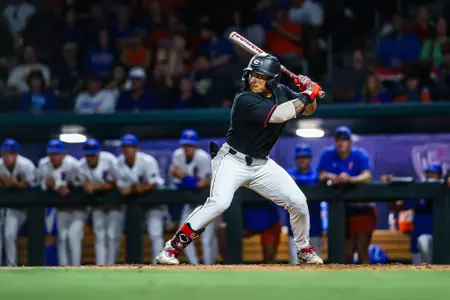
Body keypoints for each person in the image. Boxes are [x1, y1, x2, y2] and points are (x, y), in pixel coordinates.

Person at [156, 53, 323, 265]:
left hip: (262, 164)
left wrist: (309, 91)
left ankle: (304, 250)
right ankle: (170, 250)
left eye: (260, 76)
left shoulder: (281, 91)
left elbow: (308, 109)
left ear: (272, 80)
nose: (253, 79)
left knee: (298, 202)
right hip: (231, 161)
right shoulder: (244, 99)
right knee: (219, 203)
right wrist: (307, 93)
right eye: (252, 74)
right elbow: (279, 115)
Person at [317, 126, 374, 264]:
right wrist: (332, 177)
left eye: (344, 140)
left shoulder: (359, 154)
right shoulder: (328, 154)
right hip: (341, 211)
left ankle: (370, 282)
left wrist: (349, 179)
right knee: (346, 253)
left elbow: (367, 176)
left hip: (362, 208)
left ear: (350, 142)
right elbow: (321, 175)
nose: (341, 143)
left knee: (361, 250)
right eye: (338, 139)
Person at [114, 134, 165, 264]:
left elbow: (152, 184)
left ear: (136, 148)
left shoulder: (148, 161)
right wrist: (135, 188)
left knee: (155, 233)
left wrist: (137, 188)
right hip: (133, 203)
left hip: (152, 200)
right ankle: (132, 264)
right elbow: (122, 189)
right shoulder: (118, 163)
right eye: (125, 146)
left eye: (130, 146)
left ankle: (159, 264)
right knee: (131, 233)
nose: (127, 149)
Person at [171, 129, 217, 265]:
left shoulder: (203, 157)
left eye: (190, 145)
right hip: (190, 202)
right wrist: (190, 182)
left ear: (196, 146)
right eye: (185, 145)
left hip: (207, 203)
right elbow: (178, 183)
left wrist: (184, 177)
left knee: (207, 238)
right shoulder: (177, 155)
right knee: (183, 236)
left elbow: (201, 184)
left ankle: (209, 266)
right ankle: (194, 266)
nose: (187, 148)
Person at [36, 139, 84, 266]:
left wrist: (62, 185)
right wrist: (55, 186)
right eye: (51, 154)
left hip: (78, 207)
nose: (54, 157)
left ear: (64, 154)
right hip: (62, 207)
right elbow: (40, 184)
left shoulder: (73, 164)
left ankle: (76, 268)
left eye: (57, 154)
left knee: (73, 237)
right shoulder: (43, 164)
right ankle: (63, 268)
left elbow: (80, 185)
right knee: (62, 237)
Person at [77, 138, 122, 265]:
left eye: (93, 154)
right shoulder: (81, 165)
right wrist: (90, 186)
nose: (90, 157)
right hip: (97, 203)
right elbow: (84, 186)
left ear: (98, 153)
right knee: (100, 235)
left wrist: (98, 186)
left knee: (112, 235)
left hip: (115, 203)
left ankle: (112, 264)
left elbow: (119, 182)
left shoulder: (109, 160)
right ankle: (101, 265)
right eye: (88, 154)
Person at [282, 143, 322, 264]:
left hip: (314, 226)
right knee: (295, 261)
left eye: (305, 157)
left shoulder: (316, 174)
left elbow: (315, 178)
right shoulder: (289, 173)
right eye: (300, 157)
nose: (303, 160)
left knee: (314, 261)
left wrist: (296, 180)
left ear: (310, 158)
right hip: (294, 227)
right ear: (296, 159)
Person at [0, 138, 36, 266]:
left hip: (22, 208)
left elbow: (35, 189)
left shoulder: (26, 165)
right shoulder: (0, 165)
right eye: (5, 153)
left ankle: (11, 267)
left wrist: (18, 184)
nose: (8, 157)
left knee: (9, 235)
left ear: (16, 154)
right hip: (5, 207)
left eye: (11, 153)